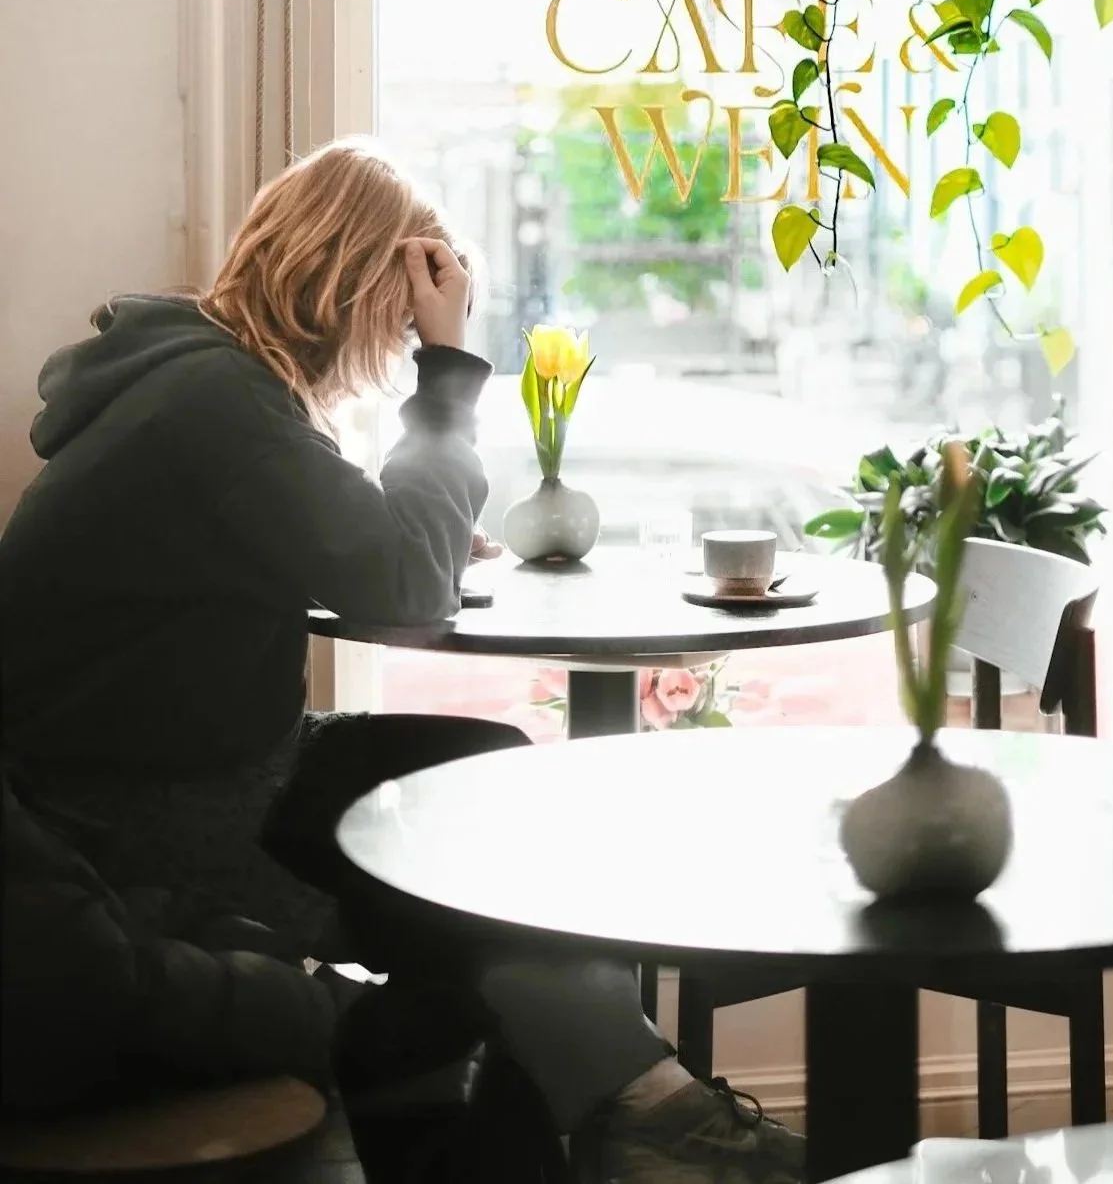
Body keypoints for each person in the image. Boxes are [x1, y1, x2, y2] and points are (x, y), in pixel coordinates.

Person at [0, 142, 802, 1184]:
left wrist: (397, 532)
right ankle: (639, 1112)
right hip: (139, 820)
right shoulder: (215, 405)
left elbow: (345, 555)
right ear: (360, 278)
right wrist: (451, 368)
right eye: (407, 301)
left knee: (485, 776)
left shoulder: (198, 384)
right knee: (469, 869)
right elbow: (406, 591)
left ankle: (621, 1109)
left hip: (170, 775)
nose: (402, 333)